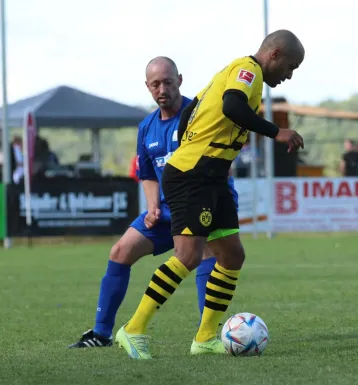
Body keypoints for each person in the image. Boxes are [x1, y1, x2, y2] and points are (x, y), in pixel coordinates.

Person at [115, 30, 305, 359]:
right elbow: (232, 105)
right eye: (290, 66)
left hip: (211, 176)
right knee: (188, 256)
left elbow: (192, 110)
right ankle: (132, 329)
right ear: (273, 55)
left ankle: (204, 339)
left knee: (231, 256)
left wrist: (198, 140)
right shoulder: (248, 72)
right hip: (193, 174)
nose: (289, 75)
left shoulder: (235, 73)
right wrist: (276, 131)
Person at [68, 56, 238, 348]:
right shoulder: (146, 127)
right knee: (120, 251)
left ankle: (205, 333)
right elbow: (146, 172)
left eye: (168, 82)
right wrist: (152, 206)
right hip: (168, 209)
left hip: (204, 201)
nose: (162, 89)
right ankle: (101, 333)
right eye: (155, 84)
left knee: (207, 253)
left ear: (180, 81)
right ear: (147, 86)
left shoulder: (199, 113)